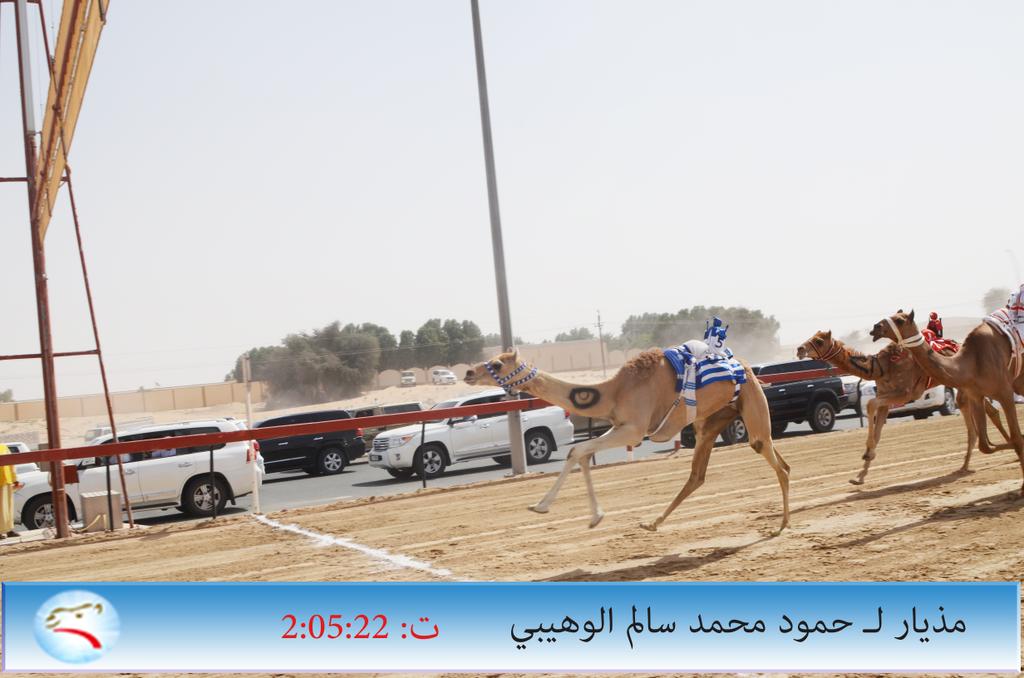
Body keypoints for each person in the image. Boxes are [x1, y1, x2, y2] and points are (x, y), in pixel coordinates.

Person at [0, 443, 23, 539]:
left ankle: (9, 530)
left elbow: (11, 464)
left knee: (8, 507)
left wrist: (15, 479)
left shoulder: (3, 447)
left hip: (7, 481)